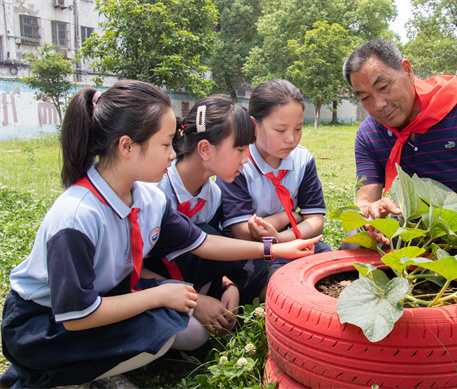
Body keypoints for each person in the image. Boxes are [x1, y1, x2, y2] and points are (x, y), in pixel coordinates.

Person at [0, 80, 320, 388]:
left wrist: (274, 251)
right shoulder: (77, 215)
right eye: (166, 144)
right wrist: (159, 294)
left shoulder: (148, 198)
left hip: (102, 300)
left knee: (171, 323)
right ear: (127, 146)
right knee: (167, 319)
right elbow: (77, 315)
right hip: (41, 324)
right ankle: (44, 377)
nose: (173, 154)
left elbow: (203, 242)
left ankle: (70, 374)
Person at [341, 39, 457, 263]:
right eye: (365, 98)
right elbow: (366, 196)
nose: (379, 105)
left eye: (383, 87)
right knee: (354, 240)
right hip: (410, 228)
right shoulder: (369, 134)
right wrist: (370, 213)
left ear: (407, 70)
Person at [144, 95, 256, 337]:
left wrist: (230, 284)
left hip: (187, 282)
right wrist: (195, 300)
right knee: (194, 335)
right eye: (239, 149)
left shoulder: (213, 195)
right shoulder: (154, 192)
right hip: (149, 286)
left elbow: (211, 255)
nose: (246, 160)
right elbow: (131, 267)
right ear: (205, 149)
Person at [217, 79, 331, 303]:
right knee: (284, 286)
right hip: (251, 250)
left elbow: (315, 220)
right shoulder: (238, 162)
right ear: (254, 125)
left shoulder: (302, 159)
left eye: (298, 128)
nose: (291, 138)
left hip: (292, 237)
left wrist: (281, 238)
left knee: (330, 269)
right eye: (281, 130)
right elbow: (242, 232)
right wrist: (290, 219)